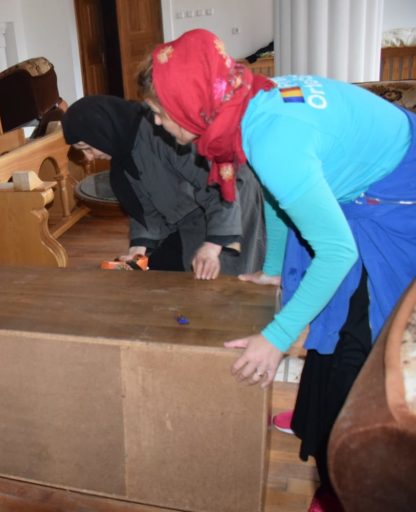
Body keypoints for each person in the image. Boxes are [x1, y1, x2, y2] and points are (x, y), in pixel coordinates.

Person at [146, 29, 416, 510]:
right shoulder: (251, 100)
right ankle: (319, 427)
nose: (158, 122)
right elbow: (277, 195)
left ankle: (345, 479)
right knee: (328, 321)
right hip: (368, 184)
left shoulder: (271, 137)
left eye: (161, 111)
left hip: (396, 200)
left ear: (193, 102)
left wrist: (276, 338)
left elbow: (337, 252)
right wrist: (275, 268)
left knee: (356, 338)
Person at [62, 95, 264, 278]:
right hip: (190, 212)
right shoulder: (123, 154)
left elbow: (216, 186)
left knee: (222, 278)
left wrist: (212, 246)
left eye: (88, 147)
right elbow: (144, 209)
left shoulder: (162, 129)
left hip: (229, 200)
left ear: (102, 131)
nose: (89, 157)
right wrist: (138, 249)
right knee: (165, 272)